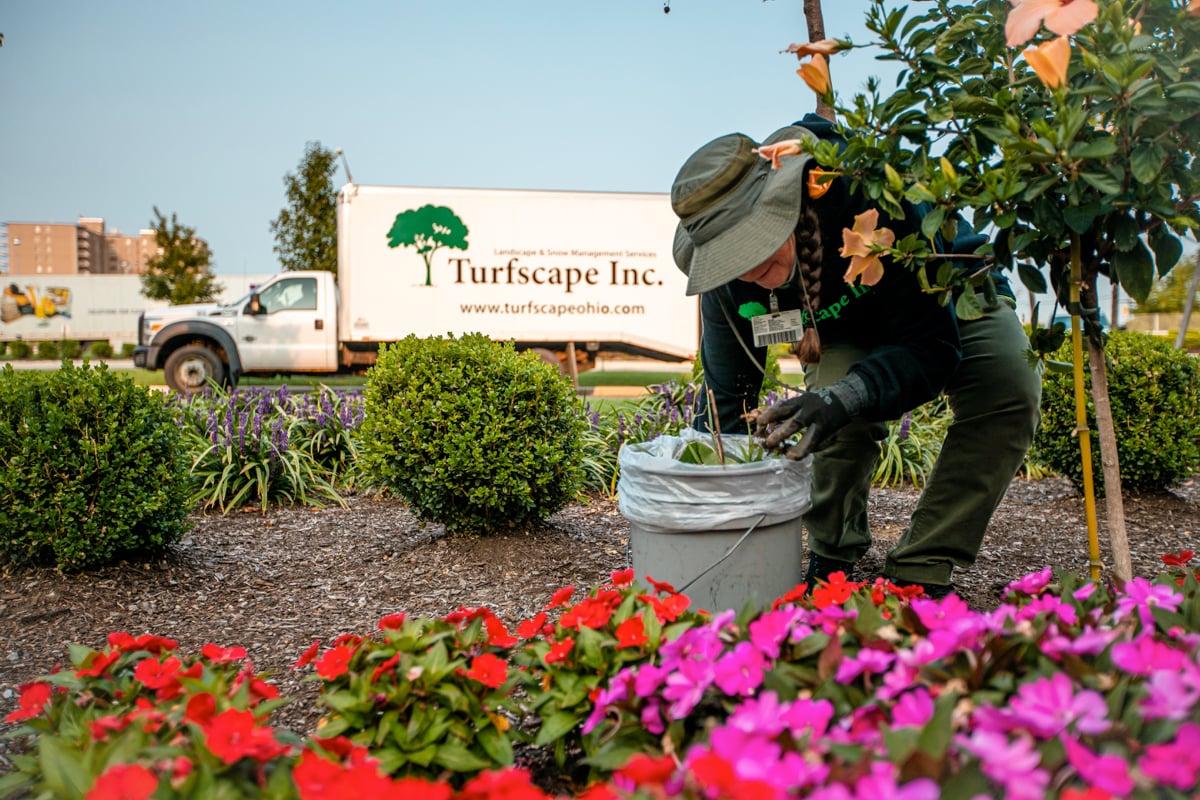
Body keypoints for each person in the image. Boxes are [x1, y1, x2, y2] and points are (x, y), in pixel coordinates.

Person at [669, 115, 1042, 599]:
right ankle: (834, 553)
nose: (748, 271)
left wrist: (847, 396)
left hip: (945, 290)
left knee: (1009, 387)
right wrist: (703, 508)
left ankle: (924, 563)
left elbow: (931, 347)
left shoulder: (866, 195)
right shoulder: (728, 280)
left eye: (754, 247)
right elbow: (728, 398)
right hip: (842, 326)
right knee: (830, 415)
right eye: (730, 259)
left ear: (786, 206)